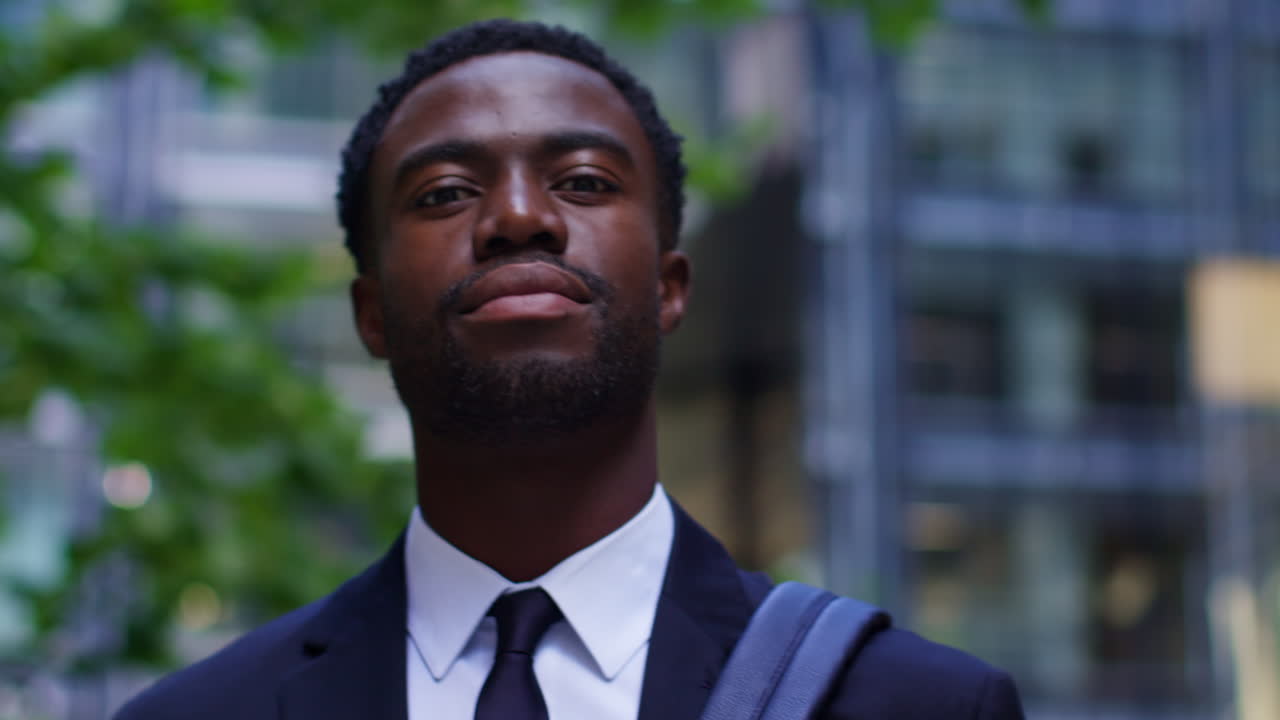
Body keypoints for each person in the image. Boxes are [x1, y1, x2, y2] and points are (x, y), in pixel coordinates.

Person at [116, 19, 1024, 720]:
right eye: (443, 194)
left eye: (584, 181)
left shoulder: (917, 706)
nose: (517, 216)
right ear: (371, 316)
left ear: (672, 288)